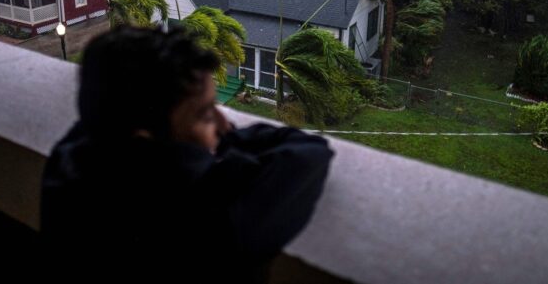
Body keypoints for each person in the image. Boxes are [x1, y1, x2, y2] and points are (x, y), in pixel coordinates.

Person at [40, 26, 334, 283]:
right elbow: (309, 153)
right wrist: (230, 140)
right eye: (204, 115)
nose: (222, 122)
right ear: (145, 137)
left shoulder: (68, 162)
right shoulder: (213, 215)